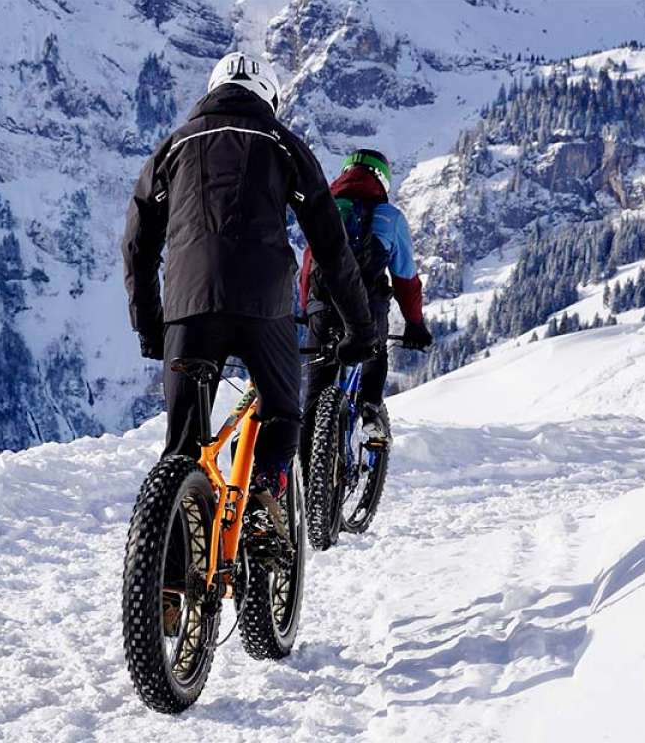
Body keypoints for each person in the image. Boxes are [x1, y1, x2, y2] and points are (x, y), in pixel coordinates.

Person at [121, 51, 377, 521]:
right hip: (263, 305)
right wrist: (360, 328)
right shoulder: (283, 143)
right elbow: (331, 248)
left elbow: (137, 244)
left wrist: (151, 326)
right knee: (282, 412)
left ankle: (171, 573)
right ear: (270, 98)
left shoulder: (173, 146)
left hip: (188, 306)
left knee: (182, 447)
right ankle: (264, 497)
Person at [300, 149, 433, 449]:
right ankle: (371, 409)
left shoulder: (326, 210)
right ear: (382, 181)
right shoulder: (390, 217)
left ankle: (305, 481)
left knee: (316, 392)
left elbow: (308, 267)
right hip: (368, 309)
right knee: (375, 354)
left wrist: (308, 307)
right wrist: (415, 323)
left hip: (322, 307)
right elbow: (406, 280)